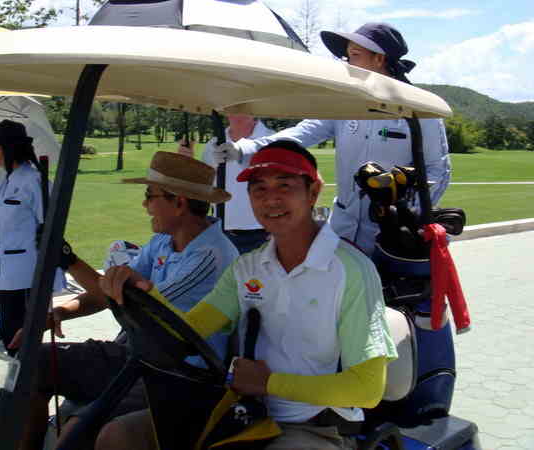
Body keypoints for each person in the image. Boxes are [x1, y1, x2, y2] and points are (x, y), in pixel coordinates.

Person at [96, 141, 398, 450]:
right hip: (241, 413)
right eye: (259, 189)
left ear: (313, 192)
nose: (271, 199)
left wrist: (267, 383)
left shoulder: (351, 271)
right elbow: (187, 334)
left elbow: (367, 388)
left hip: (313, 425)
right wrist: (146, 291)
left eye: (284, 185)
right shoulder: (246, 268)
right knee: (117, 436)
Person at [12, 151, 239, 450]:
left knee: (81, 428)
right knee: (31, 365)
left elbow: (133, 302)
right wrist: (60, 313)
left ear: (179, 203)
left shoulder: (211, 256)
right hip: (136, 354)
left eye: (149, 195)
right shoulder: (163, 241)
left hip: (177, 375)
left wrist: (67, 259)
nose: (145, 205)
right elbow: (109, 294)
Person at [213, 23, 451, 255]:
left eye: (355, 55)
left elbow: (437, 170)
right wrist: (246, 149)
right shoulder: (345, 105)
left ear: (379, 59)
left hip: (393, 234)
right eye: (347, 56)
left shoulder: (420, 111)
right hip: (341, 228)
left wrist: (408, 213)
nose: (347, 64)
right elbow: (303, 133)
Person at [0, 120, 66, 354]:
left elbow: (51, 229)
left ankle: (29, 378)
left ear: (6, 149)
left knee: (22, 342)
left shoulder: (35, 181)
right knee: (11, 337)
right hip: (7, 275)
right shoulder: (8, 181)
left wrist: (51, 278)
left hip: (28, 276)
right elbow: (2, 222)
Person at [179, 115, 274, 254]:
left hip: (266, 236)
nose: (236, 112)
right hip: (222, 235)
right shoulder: (213, 144)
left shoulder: (273, 140)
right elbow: (203, 189)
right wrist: (187, 162)